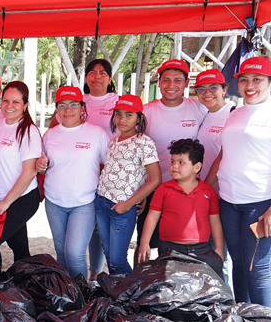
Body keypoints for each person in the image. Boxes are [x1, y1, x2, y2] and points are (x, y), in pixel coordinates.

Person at [206, 57, 271, 307]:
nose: (249, 85)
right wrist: (206, 189)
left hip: (262, 204)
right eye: (244, 79)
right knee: (239, 263)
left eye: (257, 79)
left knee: (258, 268)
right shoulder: (235, 113)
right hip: (229, 201)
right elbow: (222, 155)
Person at [136, 59, 207, 265]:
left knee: (179, 246)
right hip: (153, 188)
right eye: (166, 80)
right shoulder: (146, 111)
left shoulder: (199, 108)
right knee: (146, 243)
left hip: (187, 190)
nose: (171, 85)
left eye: (177, 80)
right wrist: (140, 190)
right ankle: (141, 288)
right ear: (158, 82)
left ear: (186, 83)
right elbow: (135, 151)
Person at [35, 86, 109, 279]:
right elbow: (43, 165)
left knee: (74, 254)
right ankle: (67, 296)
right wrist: (41, 166)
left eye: (73, 104)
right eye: (62, 105)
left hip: (84, 202)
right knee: (61, 253)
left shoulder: (97, 133)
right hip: (55, 202)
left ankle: (82, 298)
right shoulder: (50, 134)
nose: (68, 110)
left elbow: (110, 166)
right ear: (57, 108)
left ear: (82, 107)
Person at [95, 94, 161, 274]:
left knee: (117, 260)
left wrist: (129, 204)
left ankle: (131, 296)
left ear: (139, 118)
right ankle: (118, 295)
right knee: (109, 255)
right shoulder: (114, 140)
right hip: (102, 202)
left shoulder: (144, 143)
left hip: (122, 208)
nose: (122, 119)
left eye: (129, 115)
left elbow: (155, 179)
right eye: (118, 114)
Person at [138, 138, 224, 276]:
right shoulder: (163, 189)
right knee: (170, 288)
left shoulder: (208, 191)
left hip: (201, 249)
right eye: (173, 161)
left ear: (197, 167)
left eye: (181, 162)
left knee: (210, 288)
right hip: (169, 248)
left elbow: (215, 221)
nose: (175, 166)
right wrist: (144, 242)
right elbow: (153, 216)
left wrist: (219, 249)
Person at [0, 81, 42, 261]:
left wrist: (6, 202)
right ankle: (24, 282)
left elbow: (29, 172)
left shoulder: (28, 131)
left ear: (25, 105)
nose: (9, 106)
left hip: (19, 200)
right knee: (19, 246)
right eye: (6, 101)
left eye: (15, 102)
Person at [83, 59, 119, 280]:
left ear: (110, 78)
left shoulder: (119, 102)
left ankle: (116, 275)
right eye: (92, 72)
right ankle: (94, 276)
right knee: (93, 225)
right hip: (85, 172)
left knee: (112, 225)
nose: (97, 77)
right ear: (86, 77)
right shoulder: (78, 102)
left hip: (115, 174)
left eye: (102, 73)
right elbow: (56, 127)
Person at [194, 69, 234, 180]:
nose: (207, 93)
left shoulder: (234, 115)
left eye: (213, 88)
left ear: (224, 90)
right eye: (201, 89)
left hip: (224, 190)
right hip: (203, 184)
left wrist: (206, 188)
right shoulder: (203, 115)